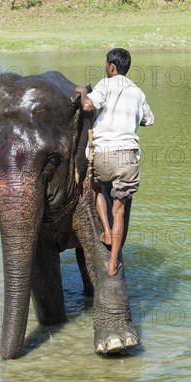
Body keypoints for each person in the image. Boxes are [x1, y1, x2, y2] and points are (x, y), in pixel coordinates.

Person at [75, 48, 154, 277]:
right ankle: (113, 263)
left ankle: (106, 231)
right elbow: (149, 120)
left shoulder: (105, 85)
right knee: (119, 210)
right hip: (128, 157)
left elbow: (88, 105)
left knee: (96, 187)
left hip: (103, 155)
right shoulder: (137, 92)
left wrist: (82, 93)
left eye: (106, 64)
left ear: (111, 67)